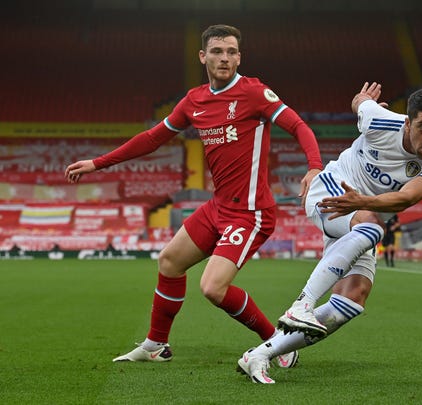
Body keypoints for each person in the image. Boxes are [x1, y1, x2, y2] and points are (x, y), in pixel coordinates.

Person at [64, 24, 323, 365]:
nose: (224, 58)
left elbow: (298, 126)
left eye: (231, 52)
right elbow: (152, 138)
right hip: (217, 208)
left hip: (251, 212)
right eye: (217, 51)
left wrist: (314, 165)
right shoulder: (194, 100)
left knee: (212, 288)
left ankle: (275, 342)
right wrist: (98, 163)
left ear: (239, 57)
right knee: (170, 262)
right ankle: (156, 344)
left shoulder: (254, 92)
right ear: (203, 57)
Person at [236, 82, 422, 383]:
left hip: (361, 216)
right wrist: (363, 99)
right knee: (371, 223)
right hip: (330, 191)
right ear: (407, 122)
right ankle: (302, 305)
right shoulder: (380, 121)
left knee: (352, 301)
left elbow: (407, 198)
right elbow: (360, 103)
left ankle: (261, 353)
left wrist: (362, 202)